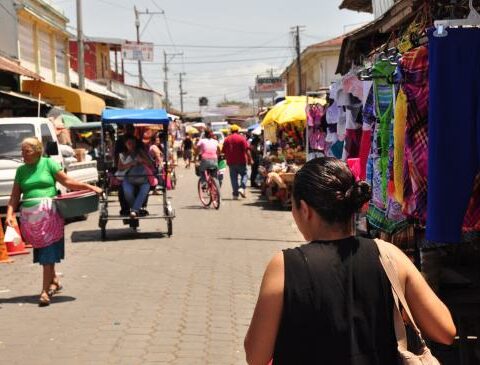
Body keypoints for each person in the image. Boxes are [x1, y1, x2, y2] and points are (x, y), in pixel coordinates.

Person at [244, 157, 456, 365]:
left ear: (305, 210)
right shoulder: (389, 256)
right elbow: (445, 331)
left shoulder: (284, 266)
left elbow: (256, 356)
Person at [6, 137, 102, 307]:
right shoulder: (21, 171)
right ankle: (54, 280)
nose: (23, 155)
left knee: (47, 253)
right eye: (22, 151)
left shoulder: (48, 164)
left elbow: (67, 181)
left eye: (26, 151)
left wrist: (90, 187)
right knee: (44, 251)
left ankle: (44, 291)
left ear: (37, 151)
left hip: (49, 215)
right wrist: (10, 214)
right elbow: (15, 195)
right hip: (31, 218)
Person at [116, 136, 153, 218]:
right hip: (129, 179)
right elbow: (120, 167)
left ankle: (134, 211)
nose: (131, 145)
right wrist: (131, 163)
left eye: (132, 143)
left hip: (143, 179)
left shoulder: (140, 152)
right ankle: (136, 209)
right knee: (127, 192)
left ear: (135, 144)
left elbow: (150, 163)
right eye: (129, 143)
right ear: (125, 144)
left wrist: (142, 160)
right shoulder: (123, 154)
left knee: (144, 190)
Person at [222, 125, 252, 199]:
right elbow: (247, 150)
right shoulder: (242, 138)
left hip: (231, 162)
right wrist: (250, 159)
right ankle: (242, 187)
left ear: (231, 131)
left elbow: (223, 151)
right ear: (238, 131)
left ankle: (235, 195)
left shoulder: (226, 139)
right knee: (245, 175)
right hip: (241, 161)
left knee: (233, 178)